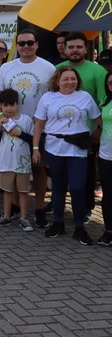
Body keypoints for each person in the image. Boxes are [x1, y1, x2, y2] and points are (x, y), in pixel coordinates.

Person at [0, 29, 56, 228]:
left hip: (38, 128)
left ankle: (39, 209)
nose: (26, 46)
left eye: (30, 43)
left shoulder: (48, 67)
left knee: (38, 169)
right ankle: (15, 208)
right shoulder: (7, 67)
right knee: (12, 168)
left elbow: (54, 97)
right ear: (16, 46)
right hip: (10, 127)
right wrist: (1, 118)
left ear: (37, 44)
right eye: (21, 43)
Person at [33, 66, 101, 245]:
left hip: (77, 149)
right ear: (57, 81)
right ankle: (58, 223)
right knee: (58, 186)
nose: (70, 82)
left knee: (77, 187)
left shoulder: (85, 97)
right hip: (54, 148)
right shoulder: (48, 98)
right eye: (66, 79)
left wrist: (101, 131)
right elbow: (39, 124)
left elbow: (98, 119)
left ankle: (79, 227)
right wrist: (35, 148)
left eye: (73, 79)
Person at [57, 31, 107, 220]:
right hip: (60, 133)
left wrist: (99, 129)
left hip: (88, 133)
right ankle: (58, 206)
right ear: (64, 49)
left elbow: (104, 102)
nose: (75, 50)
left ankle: (86, 207)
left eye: (79, 47)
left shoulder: (98, 71)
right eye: (71, 47)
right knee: (59, 174)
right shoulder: (58, 69)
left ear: (86, 49)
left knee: (86, 174)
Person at [0, 88, 35, 231]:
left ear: (17, 104)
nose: (9, 108)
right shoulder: (0, 120)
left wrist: (20, 134)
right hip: (6, 162)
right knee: (7, 190)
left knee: (23, 191)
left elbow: (32, 139)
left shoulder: (26, 120)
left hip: (22, 163)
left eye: (12, 105)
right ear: (1, 106)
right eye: (5, 105)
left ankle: (24, 217)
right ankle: (6, 216)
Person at [96, 70, 112, 245]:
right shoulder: (105, 101)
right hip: (106, 155)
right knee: (108, 195)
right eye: (110, 83)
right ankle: (109, 231)